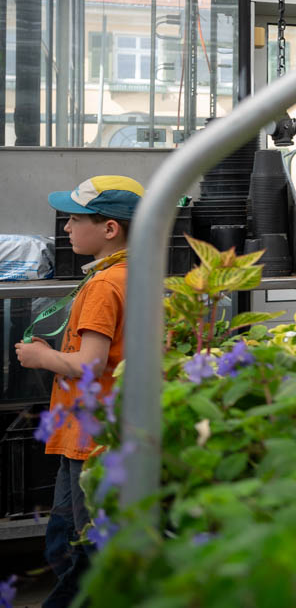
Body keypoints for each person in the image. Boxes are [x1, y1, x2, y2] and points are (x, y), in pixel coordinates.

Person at [16, 175, 143, 608]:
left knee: (81, 550)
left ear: (110, 229)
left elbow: (88, 364)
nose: (66, 228)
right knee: (70, 541)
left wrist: (42, 357)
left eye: (75, 219)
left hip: (92, 440)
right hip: (109, 434)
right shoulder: (134, 275)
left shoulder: (105, 285)